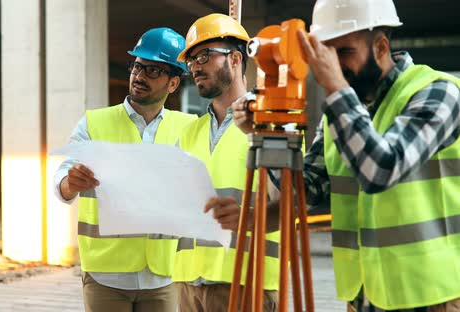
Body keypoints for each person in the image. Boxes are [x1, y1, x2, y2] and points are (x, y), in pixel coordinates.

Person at [232, 0, 460, 311]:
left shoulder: (436, 93)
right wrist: (265, 132)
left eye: (345, 52)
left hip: (433, 295)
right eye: (327, 53)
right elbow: (303, 191)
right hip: (364, 295)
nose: (333, 65)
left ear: (380, 46)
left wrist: (337, 90)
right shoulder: (339, 114)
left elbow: (382, 170)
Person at [53, 27, 197, 312]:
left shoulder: (189, 128)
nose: (140, 76)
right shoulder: (94, 123)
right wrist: (71, 183)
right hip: (106, 274)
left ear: (173, 83)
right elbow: (62, 181)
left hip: (163, 275)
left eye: (153, 70)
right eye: (137, 66)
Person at [173, 13, 279, 312]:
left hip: (247, 279)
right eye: (191, 60)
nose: (195, 67)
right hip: (188, 282)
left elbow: (288, 203)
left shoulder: (271, 123)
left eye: (204, 56)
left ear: (235, 59)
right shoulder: (189, 133)